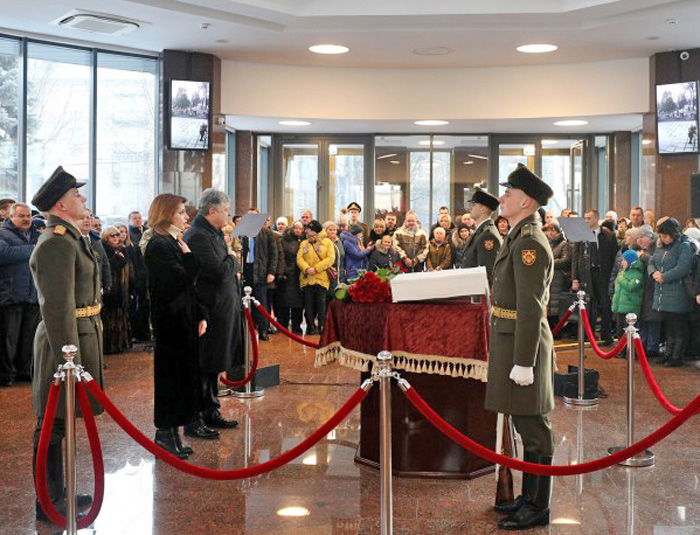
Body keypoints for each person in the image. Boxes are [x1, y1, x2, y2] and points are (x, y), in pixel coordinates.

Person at [30, 166, 102, 520]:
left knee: (60, 423)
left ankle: (60, 492)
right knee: (51, 425)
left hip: (80, 337)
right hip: (64, 344)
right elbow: (57, 309)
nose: (83, 199)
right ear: (61, 203)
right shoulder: (56, 242)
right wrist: (67, 359)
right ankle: (48, 500)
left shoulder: (71, 238)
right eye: (77, 195)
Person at [486, 164, 555, 530]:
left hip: (522, 347)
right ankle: (527, 498)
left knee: (534, 428)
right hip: (511, 340)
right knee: (523, 422)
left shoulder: (528, 242)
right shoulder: (518, 235)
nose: (502, 198)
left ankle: (538, 506)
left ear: (525, 201)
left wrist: (524, 362)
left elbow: (529, 306)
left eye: (508, 193)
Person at [144, 193, 207, 458]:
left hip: (184, 317)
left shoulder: (172, 241)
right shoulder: (160, 245)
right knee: (171, 378)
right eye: (181, 212)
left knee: (183, 377)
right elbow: (180, 281)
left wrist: (200, 314)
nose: (186, 217)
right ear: (168, 213)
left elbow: (191, 289)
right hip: (170, 321)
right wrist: (190, 256)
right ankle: (165, 434)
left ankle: (175, 432)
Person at [183, 189, 240, 433]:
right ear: (212, 210)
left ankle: (211, 410)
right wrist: (232, 258)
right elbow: (216, 272)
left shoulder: (213, 233)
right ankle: (196, 417)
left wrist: (228, 259)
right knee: (204, 365)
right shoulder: (197, 236)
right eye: (226, 210)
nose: (229, 214)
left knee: (214, 364)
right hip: (210, 309)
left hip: (221, 308)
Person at [0, 202, 41, 386]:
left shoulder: (36, 234)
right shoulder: (2, 233)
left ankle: (25, 371)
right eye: (22, 216)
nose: (26, 219)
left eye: (28, 216)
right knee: (9, 339)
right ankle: (6, 375)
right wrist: (34, 249)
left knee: (28, 337)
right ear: (11, 217)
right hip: (11, 295)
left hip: (33, 295)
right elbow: (4, 253)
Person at [649, 217, 695, 367]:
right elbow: (651, 261)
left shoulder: (684, 245)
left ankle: (677, 356)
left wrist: (664, 277)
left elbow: (683, 268)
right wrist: (654, 273)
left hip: (678, 292)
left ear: (672, 233)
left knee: (678, 326)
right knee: (668, 325)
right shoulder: (661, 245)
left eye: (664, 235)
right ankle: (668, 353)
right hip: (663, 293)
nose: (661, 239)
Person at [571, 209, 618, 345]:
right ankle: (588, 336)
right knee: (589, 305)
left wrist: (613, 277)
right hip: (586, 274)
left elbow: (614, 257)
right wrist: (575, 278)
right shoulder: (580, 235)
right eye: (585, 218)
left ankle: (606, 335)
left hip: (603, 274)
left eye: (589, 218)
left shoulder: (608, 235)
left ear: (597, 219)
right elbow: (575, 258)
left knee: (605, 305)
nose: (586, 221)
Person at [241, 208, 278, 341]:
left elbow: (274, 254)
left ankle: (263, 330)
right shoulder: (242, 233)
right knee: (244, 303)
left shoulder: (267, 233)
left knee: (261, 302)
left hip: (261, 271)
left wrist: (271, 272)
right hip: (245, 271)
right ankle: (247, 330)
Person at [297, 220, 335, 335]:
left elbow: (330, 259)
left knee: (321, 304)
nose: (306, 231)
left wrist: (316, 268)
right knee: (308, 304)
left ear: (314, 230)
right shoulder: (304, 243)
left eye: (308, 229)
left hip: (321, 279)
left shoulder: (327, 242)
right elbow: (299, 258)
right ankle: (310, 326)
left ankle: (322, 325)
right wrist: (307, 269)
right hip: (307, 278)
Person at [100, 226, 131, 354]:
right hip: (111, 288)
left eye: (117, 235)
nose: (116, 238)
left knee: (120, 316)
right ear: (106, 237)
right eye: (113, 235)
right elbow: (111, 266)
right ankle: (110, 346)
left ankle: (120, 344)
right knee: (109, 317)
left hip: (122, 288)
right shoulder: (105, 250)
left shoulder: (123, 250)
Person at [460, 189, 502, 285]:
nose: (470, 208)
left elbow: (487, 271)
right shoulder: (480, 231)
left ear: (483, 209)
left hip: (477, 291)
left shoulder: (488, 235)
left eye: (474, 205)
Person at [636, 225, 662, 359]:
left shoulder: (655, 249)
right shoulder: (640, 251)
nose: (639, 239)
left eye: (642, 236)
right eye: (638, 237)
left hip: (653, 290)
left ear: (650, 237)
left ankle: (652, 347)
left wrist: (643, 257)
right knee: (644, 320)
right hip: (644, 291)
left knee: (653, 320)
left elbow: (655, 263)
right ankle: (643, 346)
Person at [611, 249, 645, 343]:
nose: (622, 262)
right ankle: (621, 351)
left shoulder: (637, 274)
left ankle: (628, 352)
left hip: (629, 309)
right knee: (620, 332)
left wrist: (621, 279)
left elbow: (631, 287)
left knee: (627, 334)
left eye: (624, 260)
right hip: (619, 307)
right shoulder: (623, 272)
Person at [543, 223, 571, 331]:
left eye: (553, 230)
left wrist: (549, 262)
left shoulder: (564, 244)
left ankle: (557, 329)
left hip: (559, 277)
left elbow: (565, 260)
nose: (550, 233)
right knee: (549, 303)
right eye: (549, 231)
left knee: (557, 304)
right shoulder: (547, 244)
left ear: (558, 232)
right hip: (548, 277)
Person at [127, 211, 150, 342]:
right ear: (129, 220)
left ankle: (146, 333)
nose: (138, 220)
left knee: (146, 305)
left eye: (140, 218)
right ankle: (138, 333)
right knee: (138, 305)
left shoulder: (147, 232)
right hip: (137, 275)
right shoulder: (129, 235)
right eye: (135, 218)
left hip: (147, 273)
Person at [279, 221, 305, 334]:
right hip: (287, 275)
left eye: (300, 229)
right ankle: (283, 324)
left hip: (299, 275)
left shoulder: (304, 240)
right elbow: (281, 257)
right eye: (296, 228)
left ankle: (296, 325)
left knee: (298, 304)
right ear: (292, 228)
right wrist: (283, 271)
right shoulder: (284, 240)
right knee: (285, 302)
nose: (298, 230)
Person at [323, 221, 344, 290]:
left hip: (341, 276)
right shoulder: (323, 243)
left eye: (334, 230)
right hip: (329, 276)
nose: (333, 232)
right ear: (325, 231)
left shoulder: (339, 242)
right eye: (330, 230)